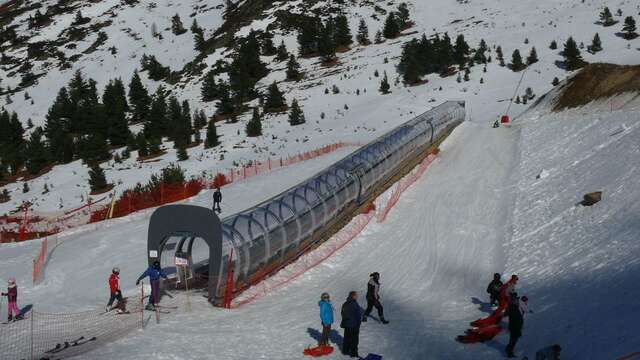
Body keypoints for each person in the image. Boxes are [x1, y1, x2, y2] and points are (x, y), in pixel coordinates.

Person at [341, 291, 363, 358]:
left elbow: (342, 313)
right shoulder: (354, 304)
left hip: (347, 324)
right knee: (354, 340)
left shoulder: (345, 303)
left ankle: (345, 350)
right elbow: (358, 315)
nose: (357, 297)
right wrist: (358, 323)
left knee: (347, 338)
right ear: (353, 296)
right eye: (356, 295)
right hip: (354, 325)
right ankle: (354, 353)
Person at [506, 293, 524, 358]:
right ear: (513, 301)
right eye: (516, 300)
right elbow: (515, 319)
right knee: (513, 341)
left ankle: (508, 348)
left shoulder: (514, 307)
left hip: (515, 327)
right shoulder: (512, 308)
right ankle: (509, 353)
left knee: (513, 340)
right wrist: (518, 328)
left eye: (517, 300)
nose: (517, 301)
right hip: (515, 328)